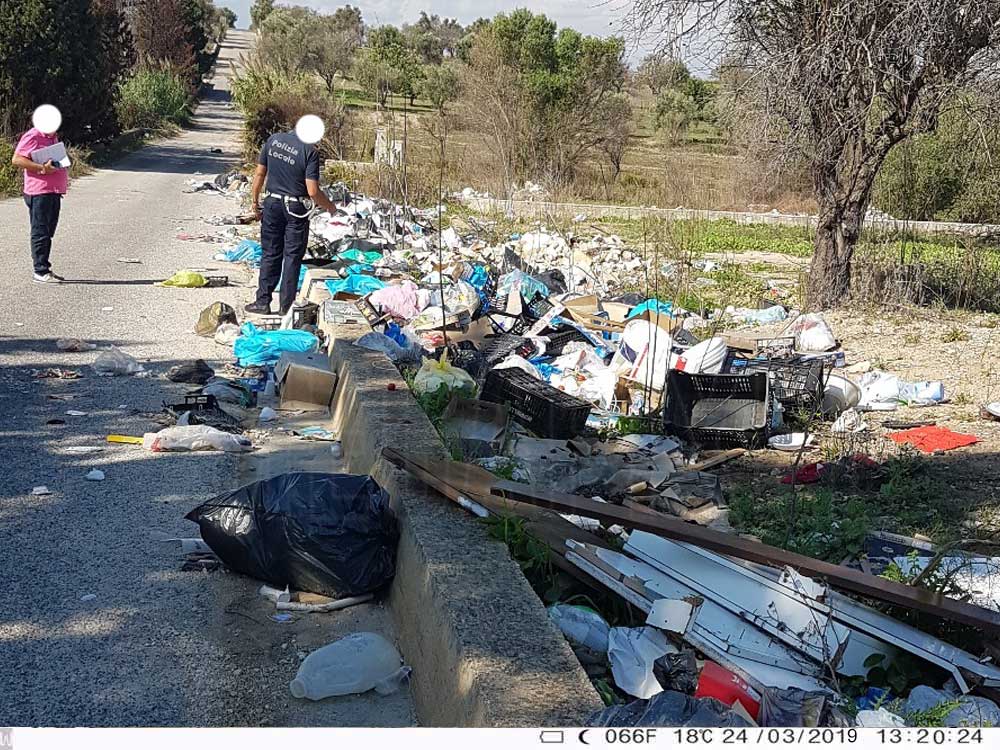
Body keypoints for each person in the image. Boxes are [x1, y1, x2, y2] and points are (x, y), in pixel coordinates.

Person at [245, 118, 338, 316]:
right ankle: (285, 308)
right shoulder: (310, 152)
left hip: (272, 204)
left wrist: (255, 202)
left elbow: (260, 174)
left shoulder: (273, 140)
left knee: (270, 253)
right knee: (292, 257)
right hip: (295, 208)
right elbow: (312, 190)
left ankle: (262, 302)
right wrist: (330, 206)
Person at [11, 106, 68, 283]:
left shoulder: (52, 138)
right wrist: (42, 169)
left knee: (48, 230)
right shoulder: (33, 135)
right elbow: (17, 159)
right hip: (39, 191)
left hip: (54, 191)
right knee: (40, 230)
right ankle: (40, 270)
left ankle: (45, 268)